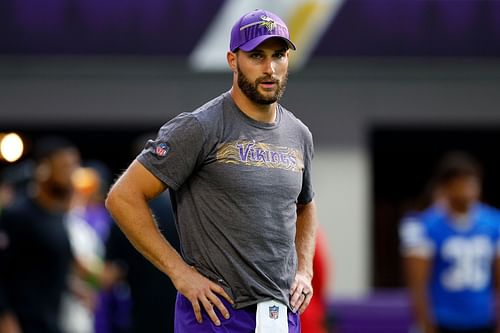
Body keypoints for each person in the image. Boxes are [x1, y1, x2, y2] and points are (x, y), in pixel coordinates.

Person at [105, 8, 318, 333]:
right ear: (233, 60)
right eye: (256, 55)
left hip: (280, 314)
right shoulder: (200, 127)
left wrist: (304, 270)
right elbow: (123, 197)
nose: (270, 68)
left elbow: (305, 205)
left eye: (278, 55)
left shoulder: (299, 133)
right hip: (216, 314)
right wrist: (180, 272)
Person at [399, 151, 500, 333]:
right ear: (447, 187)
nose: (468, 189)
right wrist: (426, 324)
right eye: (460, 183)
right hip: (444, 320)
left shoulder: (494, 223)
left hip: (482, 319)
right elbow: (417, 284)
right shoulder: (426, 225)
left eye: (472, 182)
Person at [0, 137, 82, 333]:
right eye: (64, 167)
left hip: (52, 321)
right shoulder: (18, 215)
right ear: (43, 170)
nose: (71, 174)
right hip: (23, 322)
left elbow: (56, 266)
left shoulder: (58, 216)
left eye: (74, 167)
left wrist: (79, 289)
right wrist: (6, 322)